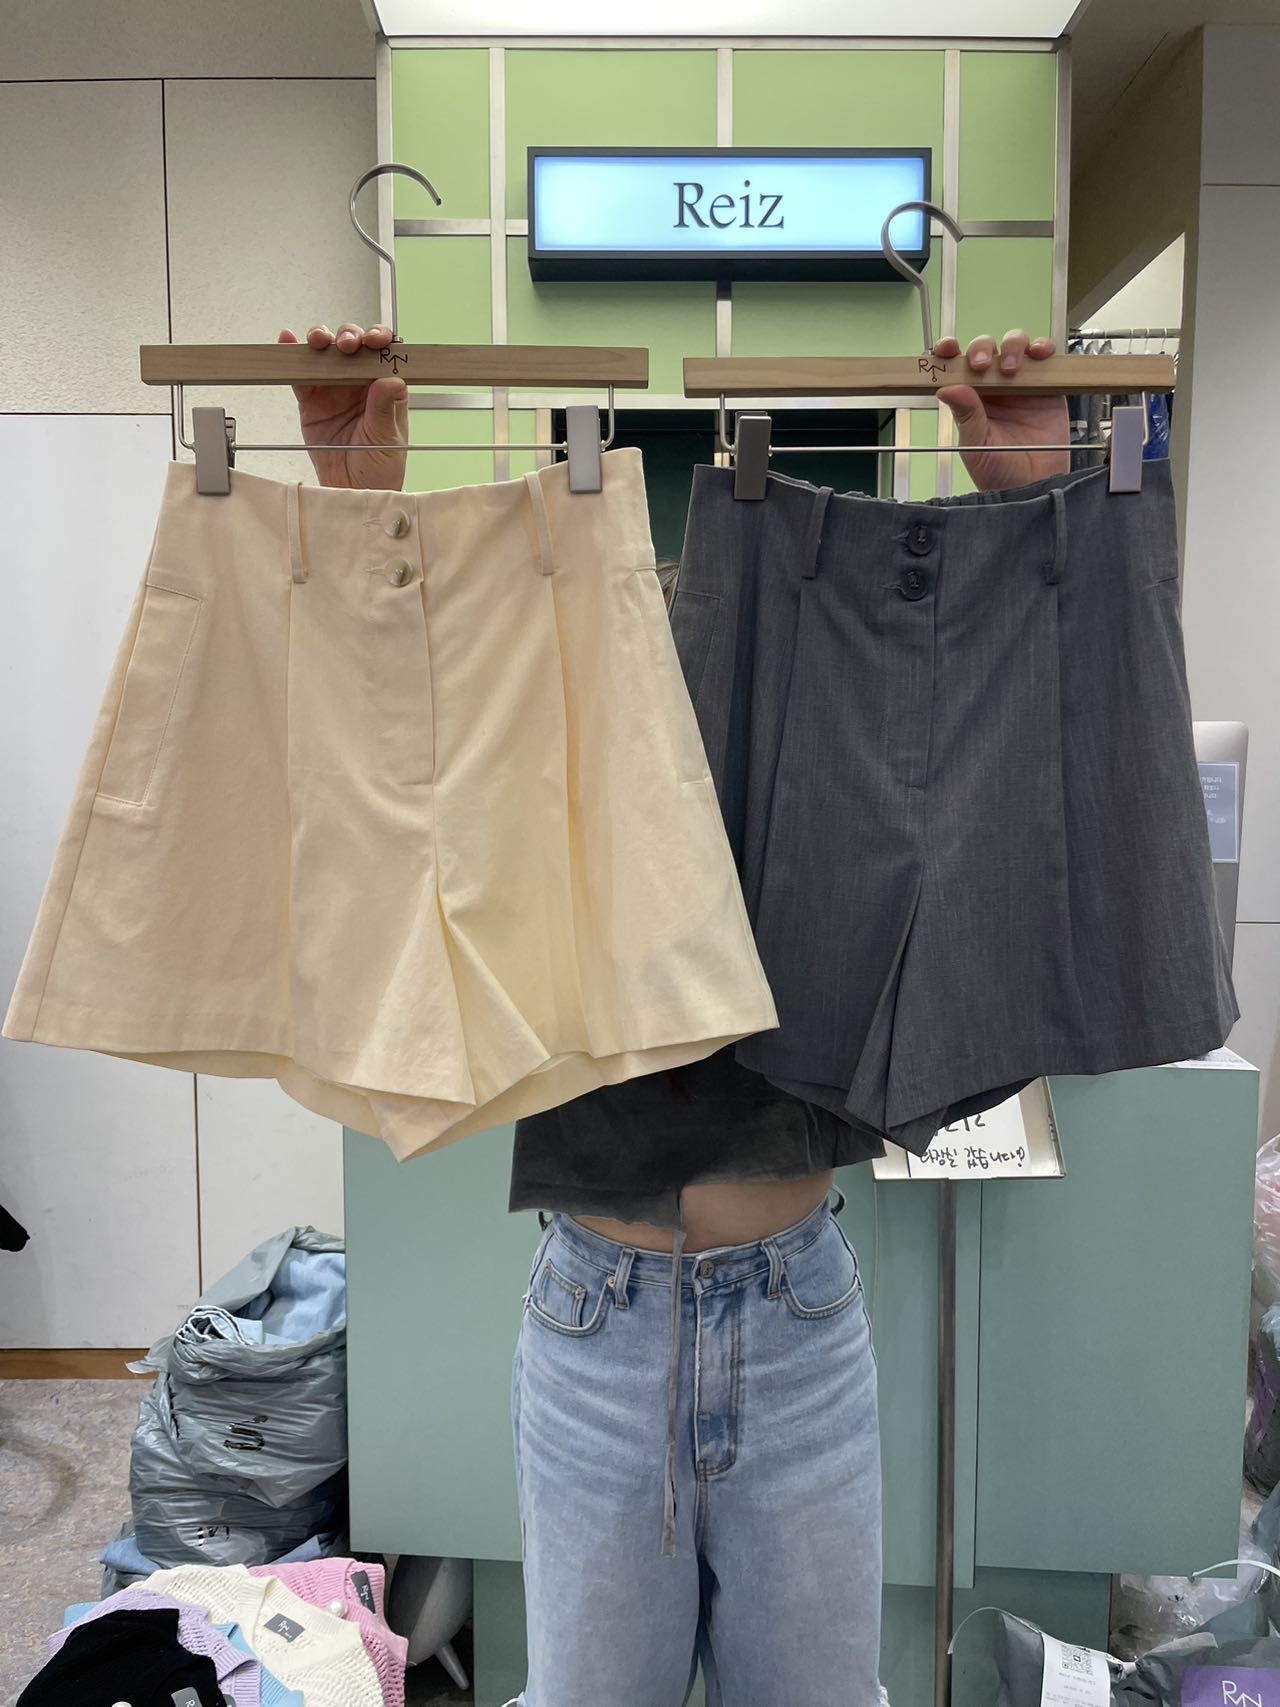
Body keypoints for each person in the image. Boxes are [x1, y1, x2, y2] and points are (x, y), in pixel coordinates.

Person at [284, 320, 1071, 1707]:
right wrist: (362, 503)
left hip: (798, 1309)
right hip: (601, 1315)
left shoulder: (824, 710)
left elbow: (1013, 759)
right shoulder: (548, 720)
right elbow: (393, 779)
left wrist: (1033, 509)